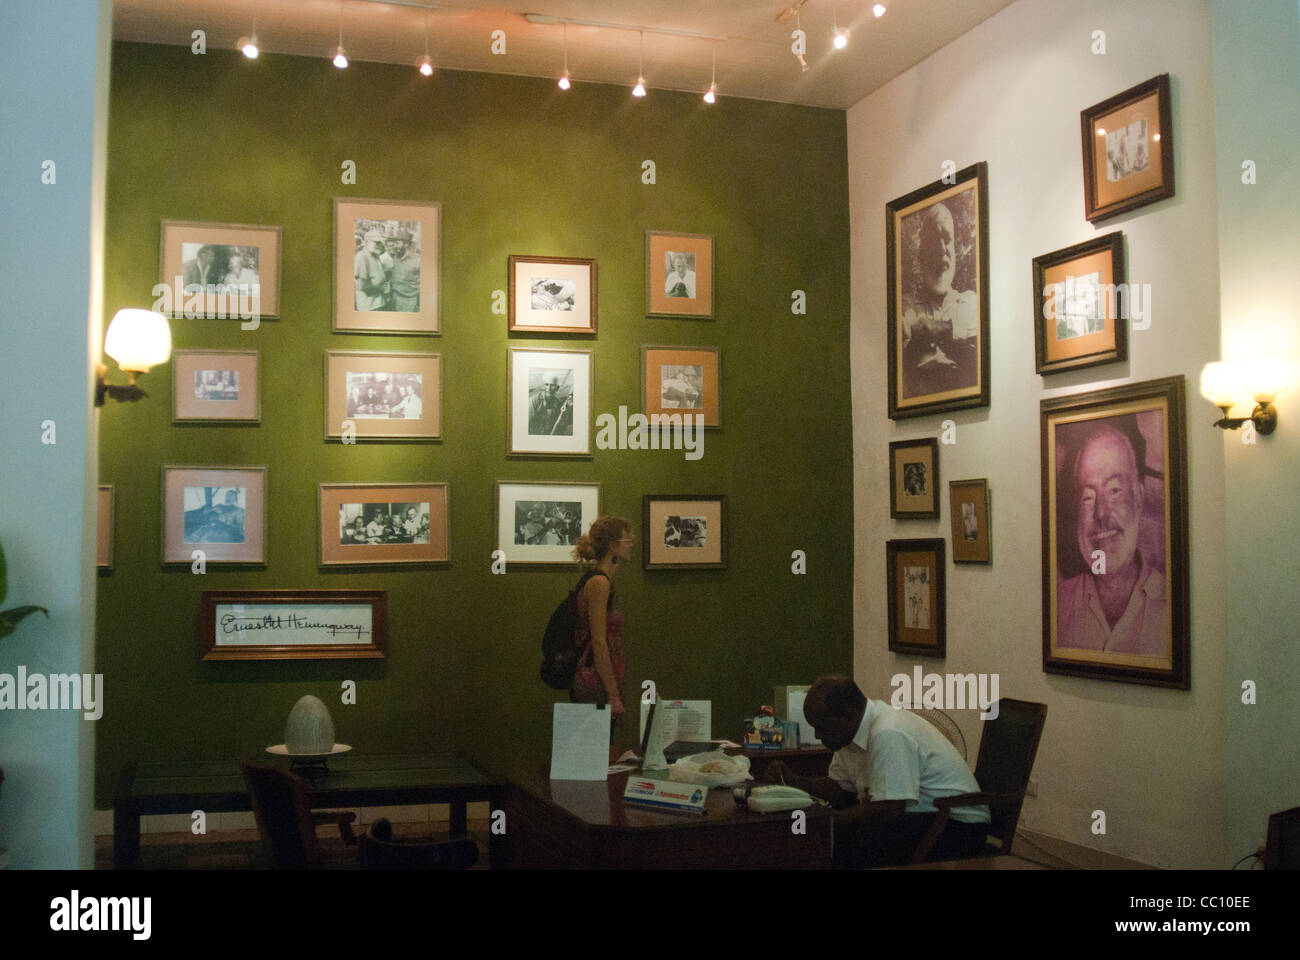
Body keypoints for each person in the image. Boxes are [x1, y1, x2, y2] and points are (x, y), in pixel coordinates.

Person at [765, 674, 989, 867]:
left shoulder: (888, 732)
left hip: (958, 826)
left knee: (848, 839)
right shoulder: (848, 734)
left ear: (848, 714)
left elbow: (888, 809)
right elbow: (840, 790)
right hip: (920, 817)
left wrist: (826, 821)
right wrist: (793, 780)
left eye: (823, 728)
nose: (817, 737)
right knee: (827, 834)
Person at [1057, 424, 1167, 656]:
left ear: (1138, 497)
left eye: (1114, 490)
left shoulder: (1174, 605)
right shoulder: (1056, 605)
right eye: (1088, 497)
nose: (1100, 513)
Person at [899, 202, 978, 399]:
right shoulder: (904, 307)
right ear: (921, 256)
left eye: (947, 240)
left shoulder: (971, 303)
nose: (942, 249)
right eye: (934, 242)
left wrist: (943, 329)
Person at [570, 516, 634, 729]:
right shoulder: (599, 583)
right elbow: (599, 642)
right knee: (596, 748)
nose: (631, 544)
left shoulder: (603, 581)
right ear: (613, 546)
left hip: (601, 678)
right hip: (594, 681)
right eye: (627, 540)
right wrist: (613, 694)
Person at [354, 229, 390, 311]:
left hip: (378, 302)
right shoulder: (362, 257)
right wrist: (382, 289)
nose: (380, 245)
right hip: (369, 305)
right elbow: (361, 286)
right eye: (376, 242)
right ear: (366, 242)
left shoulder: (375, 254)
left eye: (381, 243)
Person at [385, 230, 420, 312]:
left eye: (397, 243)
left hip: (409, 300)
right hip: (393, 297)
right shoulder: (395, 256)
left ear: (406, 244)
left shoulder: (418, 260)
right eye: (394, 243)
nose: (394, 246)